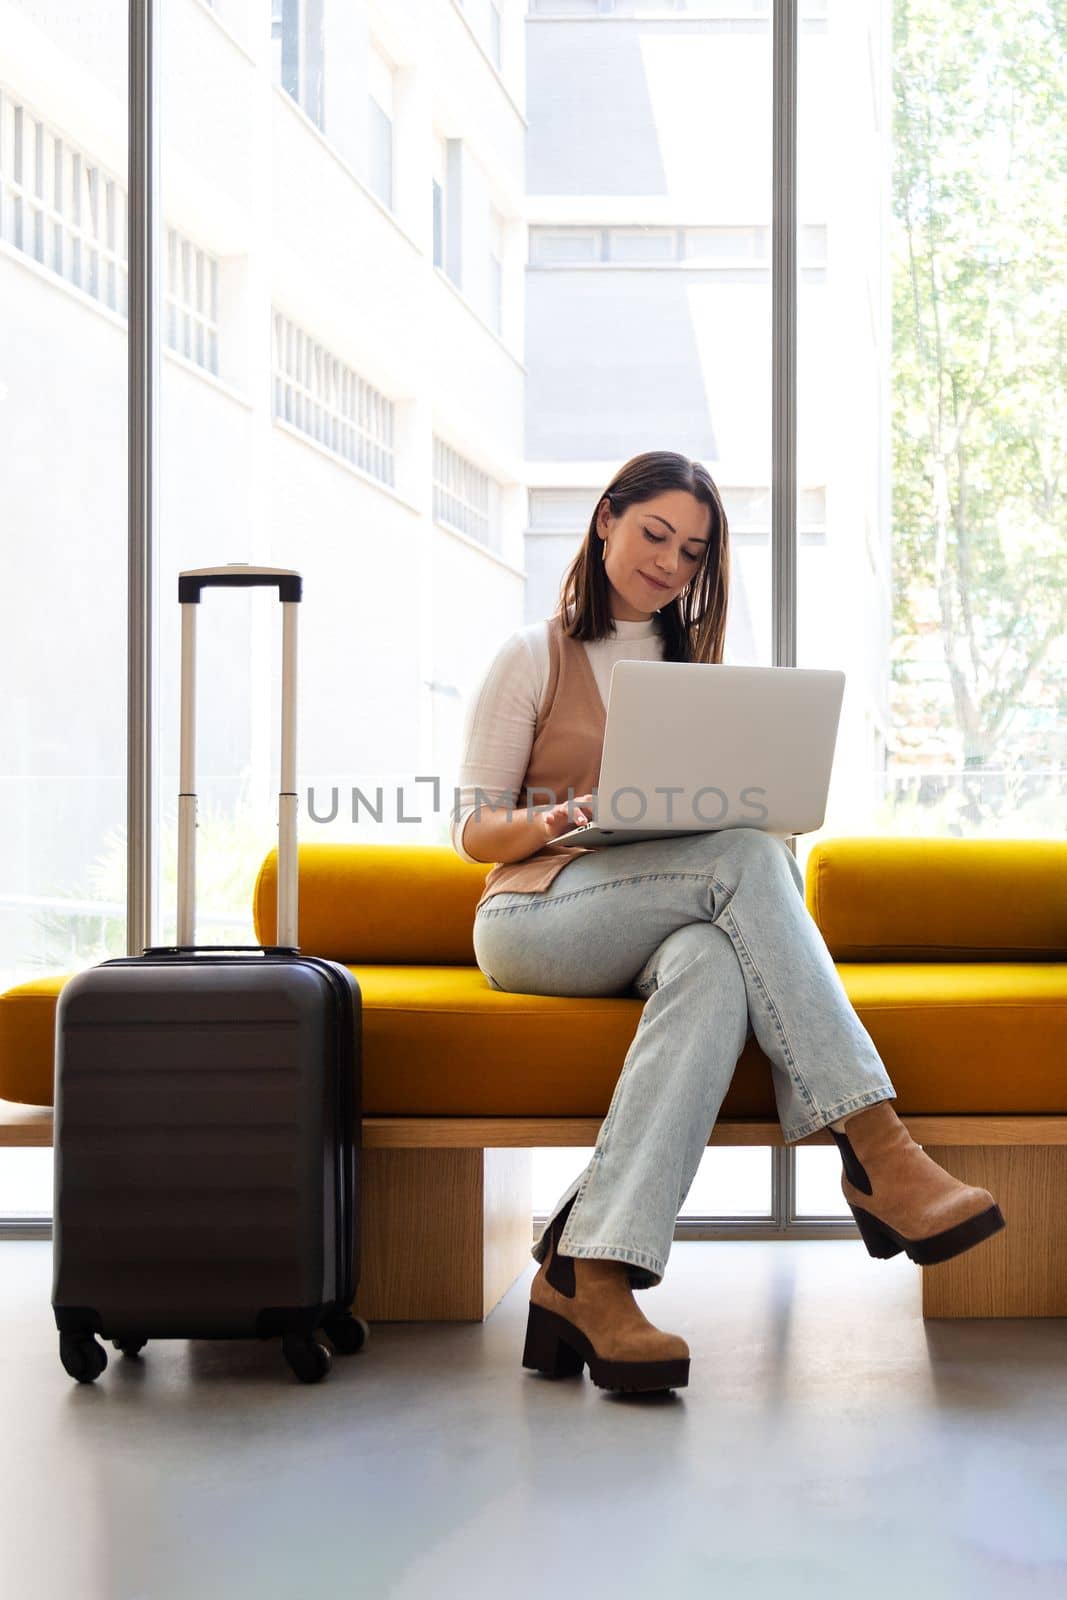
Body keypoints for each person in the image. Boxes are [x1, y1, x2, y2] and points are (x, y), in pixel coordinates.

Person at [449, 450, 1005, 1397]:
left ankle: (595, 1274)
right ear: (605, 523)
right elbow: (472, 829)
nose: (668, 563)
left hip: (663, 908)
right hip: (536, 910)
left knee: (712, 958)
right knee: (752, 857)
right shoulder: (531, 655)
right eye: (653, 534)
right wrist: (553, 817)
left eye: (692, 551)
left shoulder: (689, 671)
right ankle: (879, 1153)